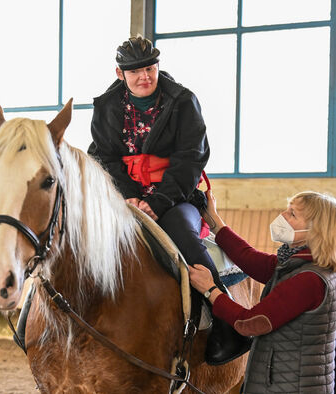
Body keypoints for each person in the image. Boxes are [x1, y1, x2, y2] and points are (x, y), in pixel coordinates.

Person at [87, 34, 251, 365]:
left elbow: (191, 159)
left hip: (177, 197)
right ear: (121, 74)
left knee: (185, 239)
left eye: (150, 68)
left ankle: (226, 327)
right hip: (125, 197)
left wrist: (157, 203)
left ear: (158, 66)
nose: (144, 76)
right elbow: (105, 158)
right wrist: (131, 197)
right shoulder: (106, 107)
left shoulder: (183, 101)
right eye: (135, 72)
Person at [189, 190, 336, 393]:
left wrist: (210, 290)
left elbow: (250, 323)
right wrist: (215, 221)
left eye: (292, 214)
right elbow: (252, 260)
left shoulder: (308, 280)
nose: (283, 216)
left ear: (315, 231)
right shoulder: (302, 265)